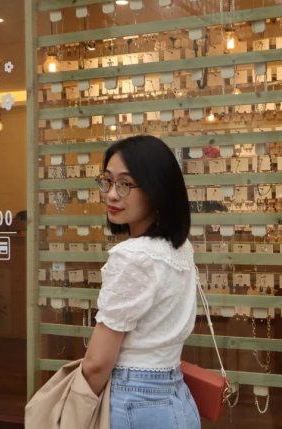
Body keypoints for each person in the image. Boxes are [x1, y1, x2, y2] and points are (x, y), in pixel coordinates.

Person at [82, 135, 201, 429]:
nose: (111, 194)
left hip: (132, 402)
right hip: (178, 400)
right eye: (108, 181)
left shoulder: (133, 256)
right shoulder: (179, 247)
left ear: (156, 189)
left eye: (125, 184)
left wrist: (76, 408)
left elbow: (97, 363)